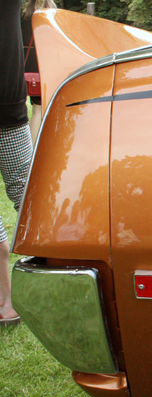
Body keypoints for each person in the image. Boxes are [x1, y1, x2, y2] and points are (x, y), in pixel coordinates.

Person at [0, 0, 34, 326]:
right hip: (10, 103)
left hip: (10, 106)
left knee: (31, 202)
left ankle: (68, 283)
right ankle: (6, 302)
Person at [22, 0, 56, 147]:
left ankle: (29, 148)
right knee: (39, 110)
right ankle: (35, 148)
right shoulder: (51, 16)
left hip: (24, 66)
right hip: (43, 66)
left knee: (32, 110)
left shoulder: (23, 16)